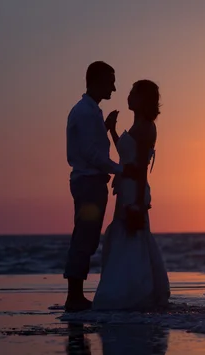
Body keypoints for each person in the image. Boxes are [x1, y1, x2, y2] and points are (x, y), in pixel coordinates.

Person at [64, 61, 139, 312]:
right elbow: (91, 154)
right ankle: (73, 296)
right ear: (97, 81)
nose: (114, 87)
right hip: (88, 182)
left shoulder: (90, 110)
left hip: (91, 182)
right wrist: (121, 169)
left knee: (88, 235)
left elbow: (92, 146)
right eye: (110, 81)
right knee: (85, 236)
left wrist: (107, 129)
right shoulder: (85, 112)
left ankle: (75, 294)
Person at [92, 80, 170, 310]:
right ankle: (125, 289)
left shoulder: (146, 127)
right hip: (125, 186)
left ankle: (133, 292)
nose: (127, 98)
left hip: (134, 189)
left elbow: (142, 169)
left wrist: (137, 202)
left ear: (142, 99)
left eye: (132, 94)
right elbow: (127, 155)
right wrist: (113, 130)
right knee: (123, 236)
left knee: (133, 237)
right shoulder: (137, 125)